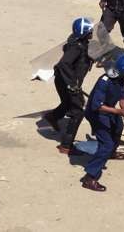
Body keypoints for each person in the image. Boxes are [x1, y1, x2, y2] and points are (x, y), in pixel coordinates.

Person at [80, 54, 124, 192]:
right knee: (106, 144)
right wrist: (118, 112)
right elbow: (97, 106)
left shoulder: (121, 79)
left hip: (110, 111)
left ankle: (110, 153)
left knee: (118, 129)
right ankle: (90, 177)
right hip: (96, 114)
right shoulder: (104, 81)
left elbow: (123, 96)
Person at [43, 17, 93, 154]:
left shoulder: (78, 41)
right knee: (77, 112)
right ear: (83, 33)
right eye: (90, 31)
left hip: (63, 81)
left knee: (67, 103)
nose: (92, 32)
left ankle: (52, 117)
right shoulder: (76, 47)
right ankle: (66, 146)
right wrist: (73, 85)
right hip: (67, 82)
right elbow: (64, 64)